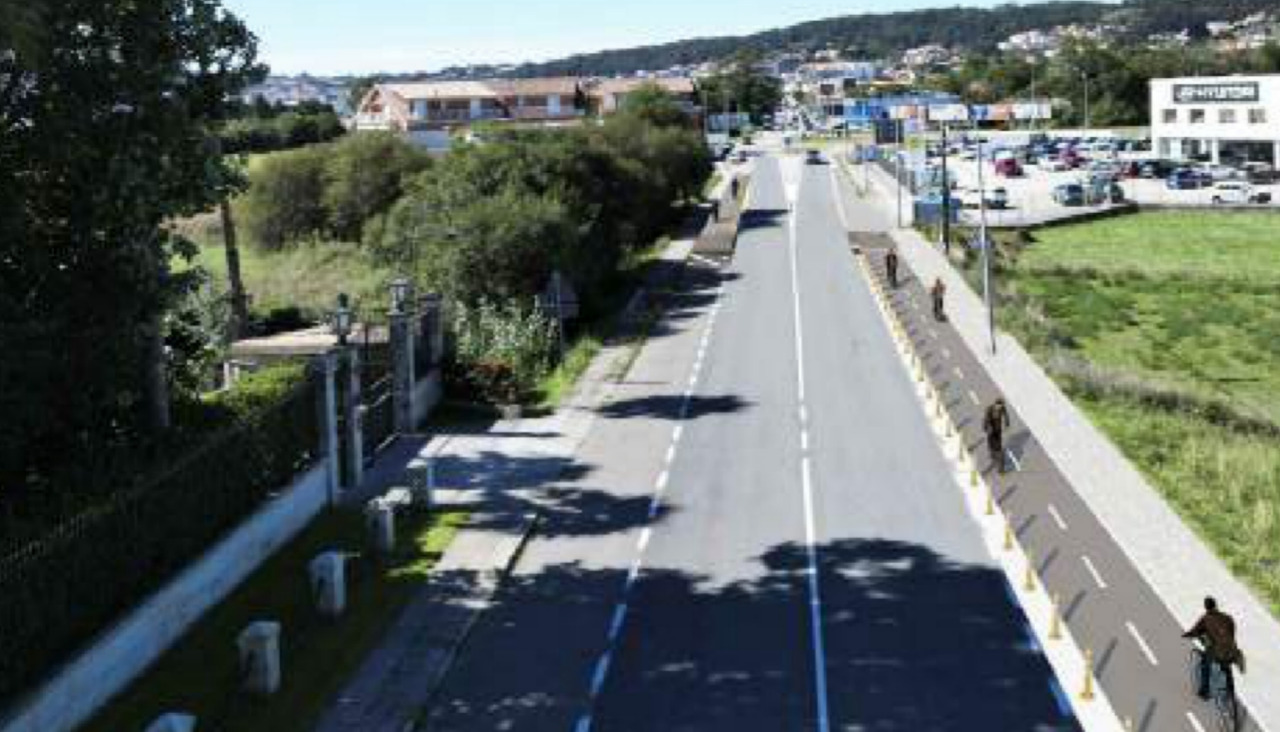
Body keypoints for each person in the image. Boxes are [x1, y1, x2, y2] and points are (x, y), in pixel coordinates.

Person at [1183, 597, 1243, 699]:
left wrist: (1186, 635)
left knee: (1205, 664)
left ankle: (1204, 692)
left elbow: (1195, 631)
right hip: (1232, 649)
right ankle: (1230, 691)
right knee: (1226, 666)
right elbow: (1232, 632)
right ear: (1215, 605)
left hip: (1217, 651)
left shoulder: (1205, 618)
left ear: (1206, 607)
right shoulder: (1228, 617)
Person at [983, 398, 1011, 473]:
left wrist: (1007, 423)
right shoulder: (989, 409)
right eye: (999, 406)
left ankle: (1001, 468)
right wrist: (989, 428)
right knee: (991, 444)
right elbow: (986, 420)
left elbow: (1006, 415)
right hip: (990, 430)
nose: (1000, 408)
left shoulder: (1002, 409)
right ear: (996, 404)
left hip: (998, 429)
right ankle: (992, 453)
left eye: (1001, 406)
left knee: (999, 447)